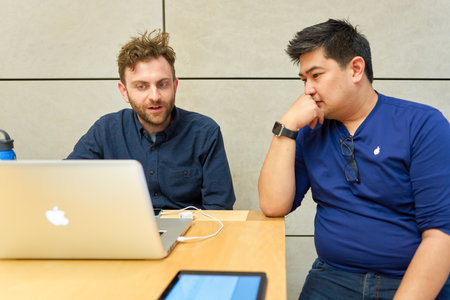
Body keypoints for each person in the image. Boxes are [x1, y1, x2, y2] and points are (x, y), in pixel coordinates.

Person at [258, 19, 450, 299]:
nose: (307, 90)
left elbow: (441, 235)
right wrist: (286, 127)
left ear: (356, 69)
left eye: (316, 76)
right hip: (332, 277)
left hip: (411, 278)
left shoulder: (422, 124)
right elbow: (274, 205)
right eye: (303, 80)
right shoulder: (310, 130)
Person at [67, 30, 235, 210]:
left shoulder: (205, 132)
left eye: (162, 84)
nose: (154, 96)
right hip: (126, 233)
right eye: (141, 86)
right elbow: (65, 185)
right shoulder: (106, 130)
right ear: (124, 92)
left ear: (175, 85)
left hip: (192, 234)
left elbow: (219, 208)